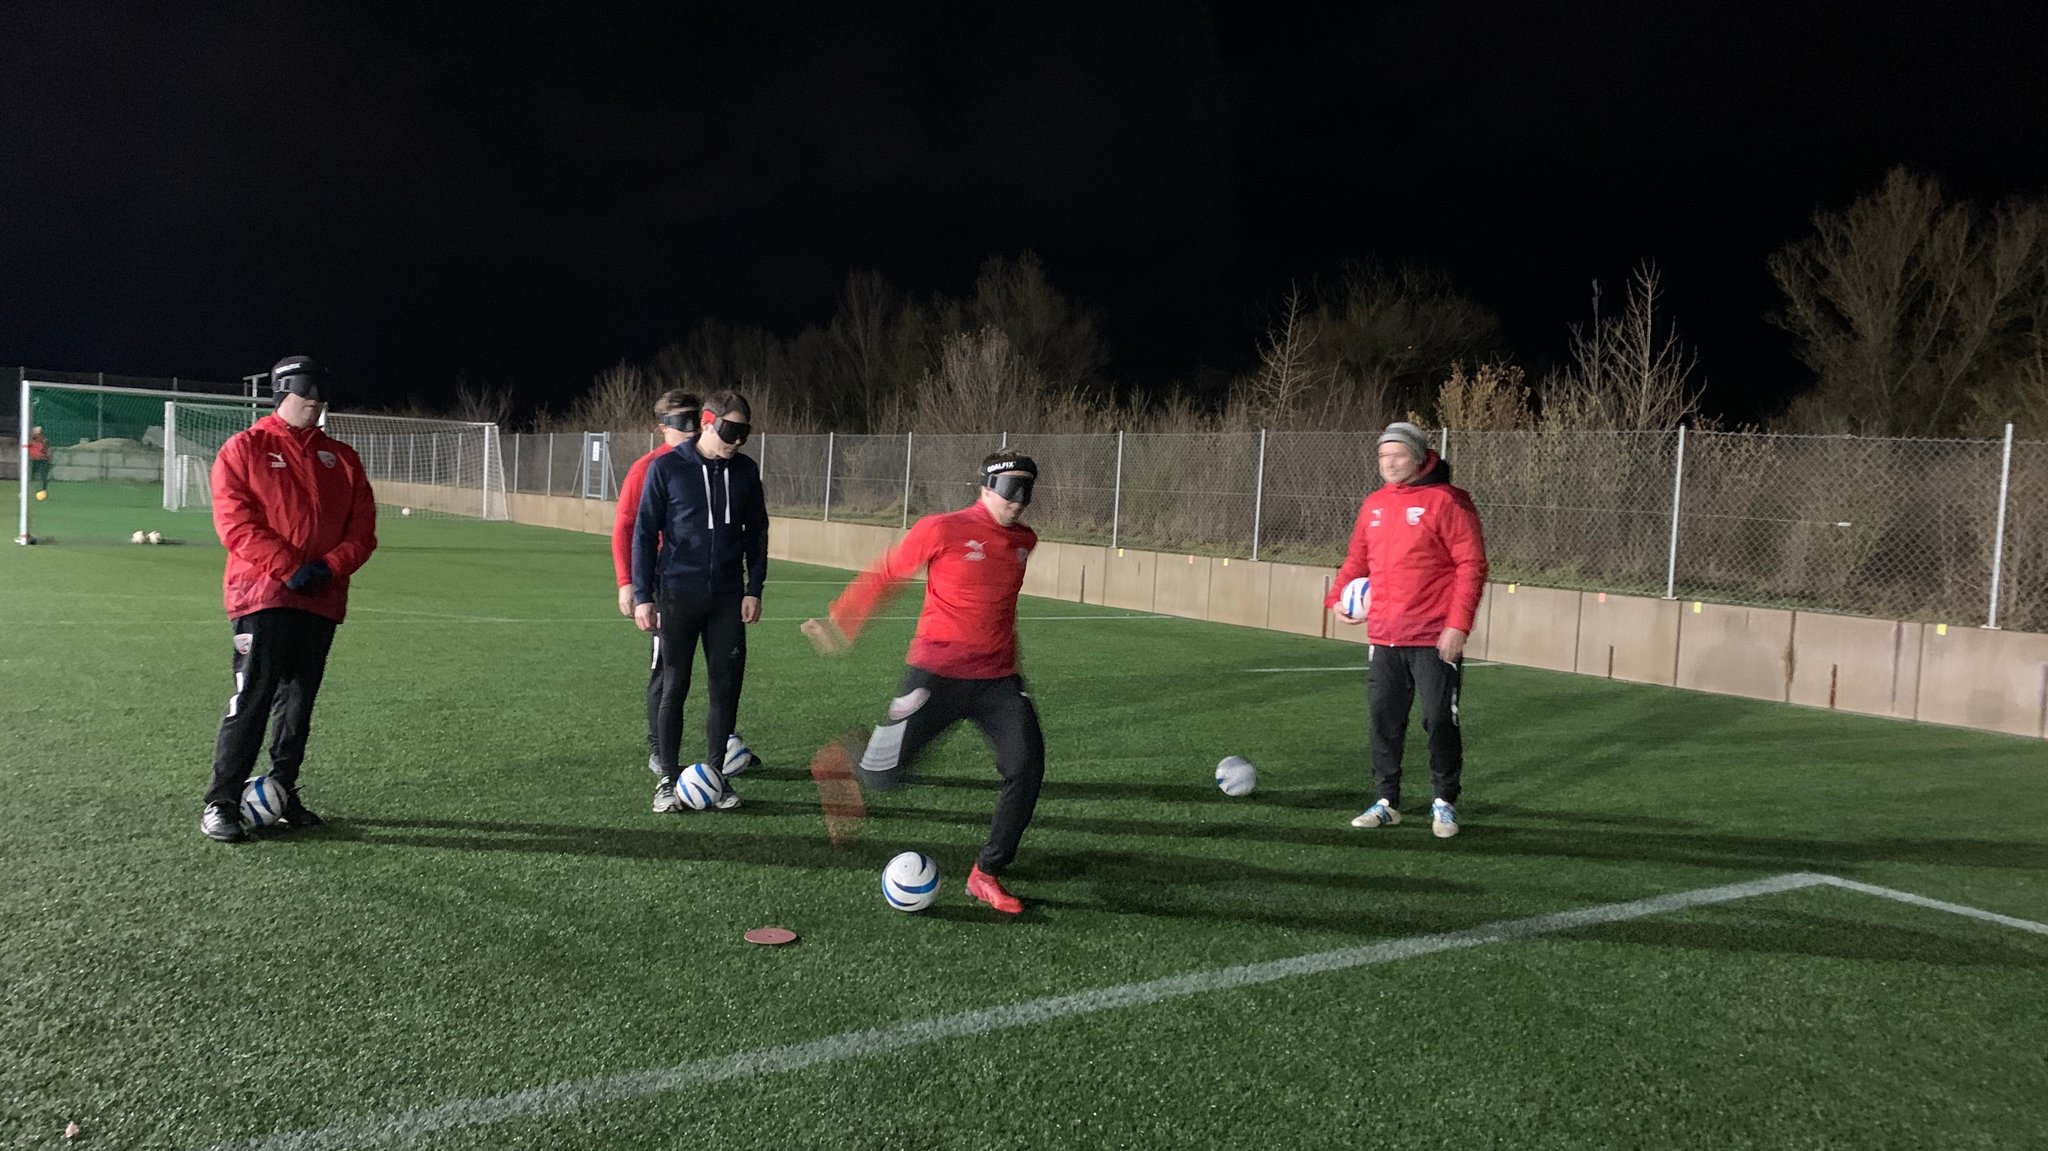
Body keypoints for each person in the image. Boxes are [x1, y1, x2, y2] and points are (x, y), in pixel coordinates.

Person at [802, 451, 1046, 915]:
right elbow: (888, 572)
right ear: (986, 487)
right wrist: (842, 621)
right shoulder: (942, 528)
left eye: (1028, 490)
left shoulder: (1025, 541)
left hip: (998, 681)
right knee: (883, 776)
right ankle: (845, 754)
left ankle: (987, 873)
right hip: (936, 674)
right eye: (1012, 488)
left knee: (1027, 766)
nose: (1021, 500)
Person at [200, 356, 377, 843]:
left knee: (299, 703)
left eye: (320, 393)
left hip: (320, 596)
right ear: (281, 393)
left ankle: (281, 792)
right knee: (253, 696)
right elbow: (235, 524)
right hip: (262, 594)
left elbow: (363, 530)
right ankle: (221, 801)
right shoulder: (245, 449)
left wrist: (328, 567)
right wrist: (289, 567)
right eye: (306, 392)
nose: (315, 400)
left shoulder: (341, 458)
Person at [1327, 421, 1487, 839]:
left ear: (1419, 456)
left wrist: (1457, 627)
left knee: (1438, 720)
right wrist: (1338, 598)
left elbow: (1471, 567)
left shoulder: (1448, 501)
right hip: (1384, 635)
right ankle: (1386, 802)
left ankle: (1444, 802)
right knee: (1384, 720)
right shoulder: (1374, 505)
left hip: (1434, 637)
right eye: (1383, 456)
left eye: (1397, 454)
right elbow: (1357, 561)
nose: (1389, 463)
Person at [631, 389, 767, 813]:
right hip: (676, 594)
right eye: (731, 431)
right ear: (707, 422)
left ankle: (716, 776)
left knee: (725, 689)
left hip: (727, 597)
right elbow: (643, 532)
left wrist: (753, 587)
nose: (737, 441)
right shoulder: (667, 469)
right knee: (675, 686)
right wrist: (641, 594)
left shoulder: (745, 471)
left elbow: (757, 534)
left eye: (745, 433)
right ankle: (668, 781)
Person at [26, 426, 51, 496]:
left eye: (39, 434)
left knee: (44, 476)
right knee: (28, 476)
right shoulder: (29, 441)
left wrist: (45, 456)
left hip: (42, 461)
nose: (37, 435)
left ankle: (43, 491)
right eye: (36, 433)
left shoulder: (45, 441)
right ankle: (26, 491)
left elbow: (46, 451)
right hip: (32, 461)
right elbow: (26, 449)